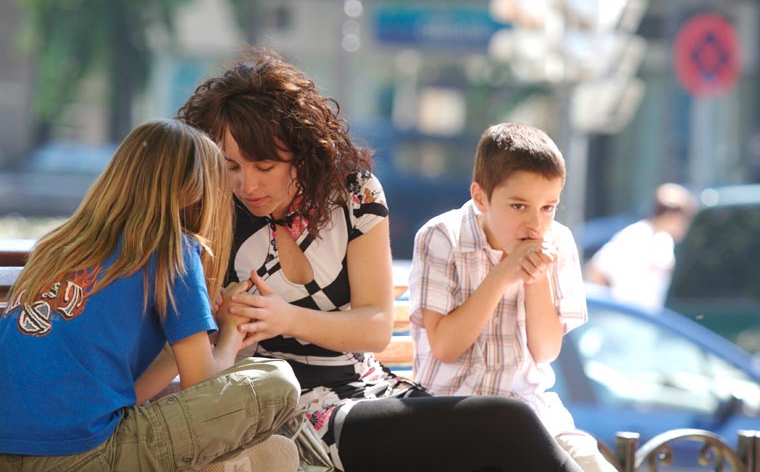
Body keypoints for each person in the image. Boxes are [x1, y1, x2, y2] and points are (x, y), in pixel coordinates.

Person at [177, 46, 585, 472]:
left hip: (367, 391)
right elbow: (198, 353)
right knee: (505, 422)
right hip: (289, 411)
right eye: (231, 167)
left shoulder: (355, 195)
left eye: (264, 167)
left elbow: (375, 327)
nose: (247, 185)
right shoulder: (212, 213)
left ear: (300, 151)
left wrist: (287, 318)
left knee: (503, 429)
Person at [0, 120, 300, 471]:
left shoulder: (59, 246)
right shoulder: (173, 249)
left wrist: (186, 342)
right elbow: (203, 387)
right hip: (82, 458)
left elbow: (121, 398)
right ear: (195, 192)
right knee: (277, 382)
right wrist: (231, 332)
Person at [408, 122, 616, 472]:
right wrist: (504, 272)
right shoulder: (442, 236)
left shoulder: (558, 241)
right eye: (519, 206)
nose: (535, 224)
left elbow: (545, 351)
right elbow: (445, 347)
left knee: (593, 465)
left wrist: (536, 279)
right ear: (480, 197)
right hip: (452, 412)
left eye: (548, 207)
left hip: (531, 412)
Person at [583, 182, 697, 312]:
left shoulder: (665, 241)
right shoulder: (636, 236)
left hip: (647, 317)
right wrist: (607, 310)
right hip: (625, 317)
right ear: (671, 215)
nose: (687, 225)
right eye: (685, 218)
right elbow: (597, 270)